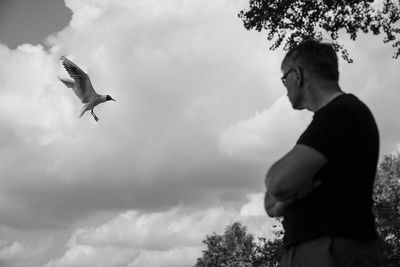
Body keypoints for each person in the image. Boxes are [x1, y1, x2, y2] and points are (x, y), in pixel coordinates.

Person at [264, 39, 383, 267]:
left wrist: (285, 191)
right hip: (324, 250)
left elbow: (276, 183)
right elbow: (271, 203)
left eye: (284, 78)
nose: (285, 86)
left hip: (330, 251)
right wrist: (287, 191)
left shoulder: (341, 114)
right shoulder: (333, 118)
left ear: (297, 74)